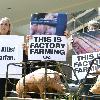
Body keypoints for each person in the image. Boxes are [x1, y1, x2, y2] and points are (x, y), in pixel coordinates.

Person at [0, 17, 18, 99]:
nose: (3, 26)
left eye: (6, 24)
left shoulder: (15, 41)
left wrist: (25, 50)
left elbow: (21, 57)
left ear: (9, 27)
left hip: (7, 77)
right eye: (1, 24)